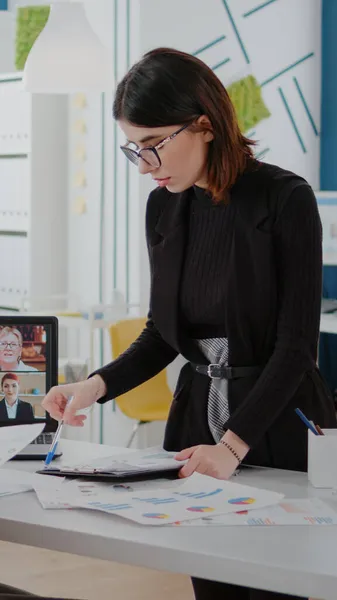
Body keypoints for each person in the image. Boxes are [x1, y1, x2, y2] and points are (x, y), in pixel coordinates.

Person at [42, 47, 337, 600]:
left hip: (278, 427)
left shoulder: (285, 198)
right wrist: (93, 388)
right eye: (135, 149)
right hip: (194, 432)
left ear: (204, 124)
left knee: (283, 585)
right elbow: (163, 334)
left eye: (154, 145)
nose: (147, 166)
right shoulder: (165, 207)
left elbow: (296, 347)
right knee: (216, 587)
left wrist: (232, 446)